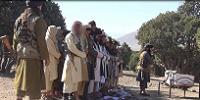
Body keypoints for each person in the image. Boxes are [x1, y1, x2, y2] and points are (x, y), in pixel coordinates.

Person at [13, 1, 49, 99]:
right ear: (39, 6)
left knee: (21, 87)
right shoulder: (38, 20)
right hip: (33, 58)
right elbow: (41, 41)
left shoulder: (18, 20)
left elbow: (15, 40)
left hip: (21, 57)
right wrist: (46, 57)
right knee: (34, 90)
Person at [61, 21, 86, 100]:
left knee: (75, 81)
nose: (80, 30)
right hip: (71, 61)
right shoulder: (69, 36)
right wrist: (83, 54)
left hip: (78, 61)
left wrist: (83, 54)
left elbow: (82, 48)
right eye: (79, 28)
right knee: (68, 80)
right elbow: (72, 48)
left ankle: (72, 97)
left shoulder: (78, 37)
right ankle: (65, 97)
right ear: (75, 27)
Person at [44, 25, 61, 98]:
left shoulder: (52, 39)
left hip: (53, 61)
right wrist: (59, 55)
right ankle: (47, 95)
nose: (56, 33)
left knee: (51, 78)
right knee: (48, 78)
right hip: (49, 61)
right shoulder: (47, 39)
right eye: (54, 31)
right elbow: (51, 50)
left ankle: (50, 94)